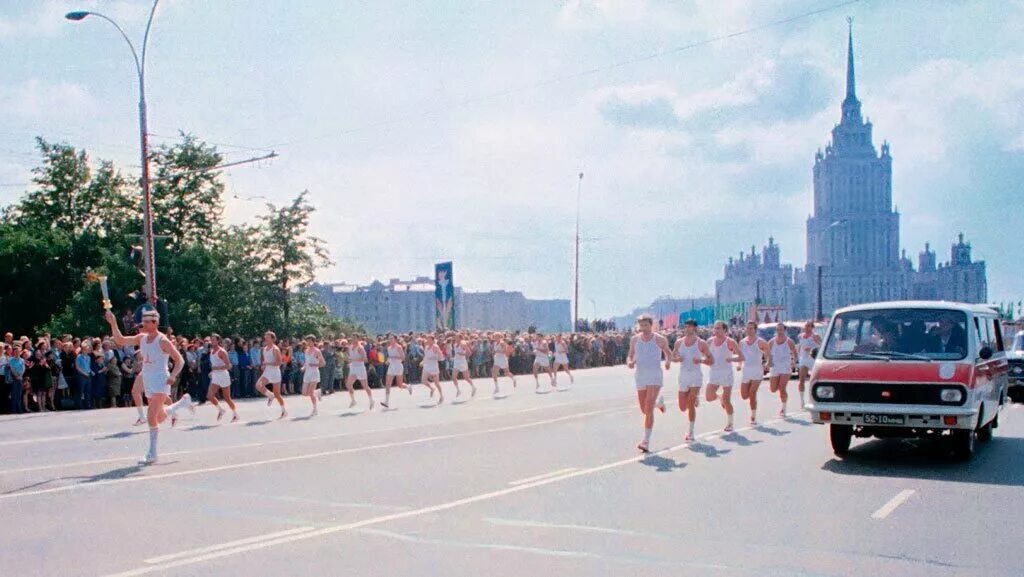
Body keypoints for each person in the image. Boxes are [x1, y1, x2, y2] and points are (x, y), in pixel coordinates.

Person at [105, 309, 187, 465]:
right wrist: (113, 323)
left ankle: (152, 454)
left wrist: (173, 375)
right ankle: (179, 405)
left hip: (161, 380)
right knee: (159, 416)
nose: (143, 325)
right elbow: (120, 340)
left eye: (147, 322)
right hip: (148, 380)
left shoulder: (163, 341)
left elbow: (180, 360)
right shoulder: (142, 338)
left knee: (150, 417)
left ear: (155, 323)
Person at [628, 314, 672, 452]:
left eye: (646, 325)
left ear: (651, 325)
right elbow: (630, 355)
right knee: (644, 409)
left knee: (648, 407)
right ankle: (659, 403)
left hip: (654, 375)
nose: (643, 328)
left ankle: (645, 441)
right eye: (641, 325)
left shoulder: (659, 339)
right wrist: (630, 361)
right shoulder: (635, 339)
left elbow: (668, 353)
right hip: (641, 375)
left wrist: (668, 362)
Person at [672, 319, 711, 441]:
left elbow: (711, 360)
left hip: (695, 375)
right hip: (683, 375)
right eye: (686, 327)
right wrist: (677, 359)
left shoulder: (701, 343)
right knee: (682, 407)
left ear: (695, 328)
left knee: (690, 404)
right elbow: (673, 356)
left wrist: (701, 360)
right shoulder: (679, 342)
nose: (687, 329)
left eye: (690, 327)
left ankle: (691, 432)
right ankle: (694, 399)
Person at [706, 321, 744, 432]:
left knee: (727, 401)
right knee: (709, 397)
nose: (716, 330)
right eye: (715, 328)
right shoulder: (709, 341)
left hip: (726, 374)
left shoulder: (730, 342)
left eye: (718, 328)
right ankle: (720, 397)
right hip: (714, 373)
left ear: (724, 330)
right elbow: (706, 355)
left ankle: (730, 423)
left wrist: (731, 359)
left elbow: (741, 357)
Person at [737, 321, 770, 425]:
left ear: (755, 330)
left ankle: (753, 416)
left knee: (752, 393)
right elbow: (740, 356)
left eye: (751, 328)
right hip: (746, 370)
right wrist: (739, 364)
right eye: (748, 328)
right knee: (744, 395)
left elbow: (768, 355)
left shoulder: (761, 342)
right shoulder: (742, 342)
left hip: (757, 370)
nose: (749, 330)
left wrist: (767, 364)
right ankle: (753, 410)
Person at [255, 331, 287, 419]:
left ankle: (284, 411)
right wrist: (263, 365)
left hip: (275, 373)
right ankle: (270, 395)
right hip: (267, 372)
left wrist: (267, 363)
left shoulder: (275, 349)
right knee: (258, 386)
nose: (266, 338)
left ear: (273, 339)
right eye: (265, 337)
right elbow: (265, 361)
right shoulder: (264, 349)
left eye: (268, 337)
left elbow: (279, 362)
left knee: (277, 394)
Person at [768, 323, 798, 416]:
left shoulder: (789, 341)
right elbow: (767, 353)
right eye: (777, 330)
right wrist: (768, 362)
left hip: (785, 366)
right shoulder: (771, 341)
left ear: (785, 330)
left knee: (782, 388)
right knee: (773, 389)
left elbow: (795, 353)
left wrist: (794, 362)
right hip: (775, 367)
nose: (779, 332)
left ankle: (784, 408)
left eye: (781, 330)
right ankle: (781, 395)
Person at [206, 334, 238, 422]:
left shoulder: (222, 351)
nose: (212, 341)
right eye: (211, 340)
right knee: (209, 396)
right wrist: (212, 372)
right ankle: (221, 410)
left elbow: (228, 366)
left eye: (213, 340)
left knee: (227, 398)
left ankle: (235, 414)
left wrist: (216, 369)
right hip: (216, 376)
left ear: (218, 341)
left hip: (223, 376)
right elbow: (215, 365)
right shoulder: (212, 351)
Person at [796, 321, 822, 406]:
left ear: (812, 327)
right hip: (803, 359)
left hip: (813, 360)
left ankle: (815, 398)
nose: (806, 328)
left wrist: (812, 348)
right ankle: (802, 401)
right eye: (805, 326)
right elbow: (800, 346)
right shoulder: (800, 336)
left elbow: (822, 346)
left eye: (808, 326)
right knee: (801, 380)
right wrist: (797, 357)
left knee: (815, 380)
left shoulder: (815, 336)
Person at [344, 339, 374, 410]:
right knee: (348, 384)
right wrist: (349, 362)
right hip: (353, 368)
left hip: (360, 368)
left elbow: (365, 359)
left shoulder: (360, 348)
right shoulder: (350, 347)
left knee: (365, 386)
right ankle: (353, 400)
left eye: (355, 338)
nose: (353, 339)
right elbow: (350, 357)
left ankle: (371, 400)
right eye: (352, 337)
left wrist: (354, 360)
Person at [381, 334, 407, 409]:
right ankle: (386, 401)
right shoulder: (389, 348)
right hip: (391, 367)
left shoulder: (399, 347)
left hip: (398, 366)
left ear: (395, 339)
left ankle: (408, 387)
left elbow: (403, 358)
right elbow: (390, 357)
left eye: (392, 338)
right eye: (389, 339)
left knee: (400, 385)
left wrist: (393, 357)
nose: (390, 340)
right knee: (388, 383)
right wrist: (388, 361)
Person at [302, 335, 325, 416]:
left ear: (313, 341)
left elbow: (323, 363)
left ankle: (315, 409)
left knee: (311, 393)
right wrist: (303, 367)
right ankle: (318, 392)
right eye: (307, 341)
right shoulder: (306, 351)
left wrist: (314, 364)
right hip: (307, 373)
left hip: (314, 372)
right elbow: (306, 362)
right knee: (304, 393)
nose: (308, 343)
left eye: (310, 341)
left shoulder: (317, 351)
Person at [421, 335, 444, 404]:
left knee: (436, 383)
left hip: (434, 366)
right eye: (427, 339)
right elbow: (426, 356)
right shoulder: (426, 347)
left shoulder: (435, 347)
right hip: (426, 366)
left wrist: (436, 357)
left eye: (429, 339)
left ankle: (441, 396)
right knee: (423, 381)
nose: (427, 340)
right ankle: (432, 388)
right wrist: (423, 361)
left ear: (432, 340)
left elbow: (441, 357)